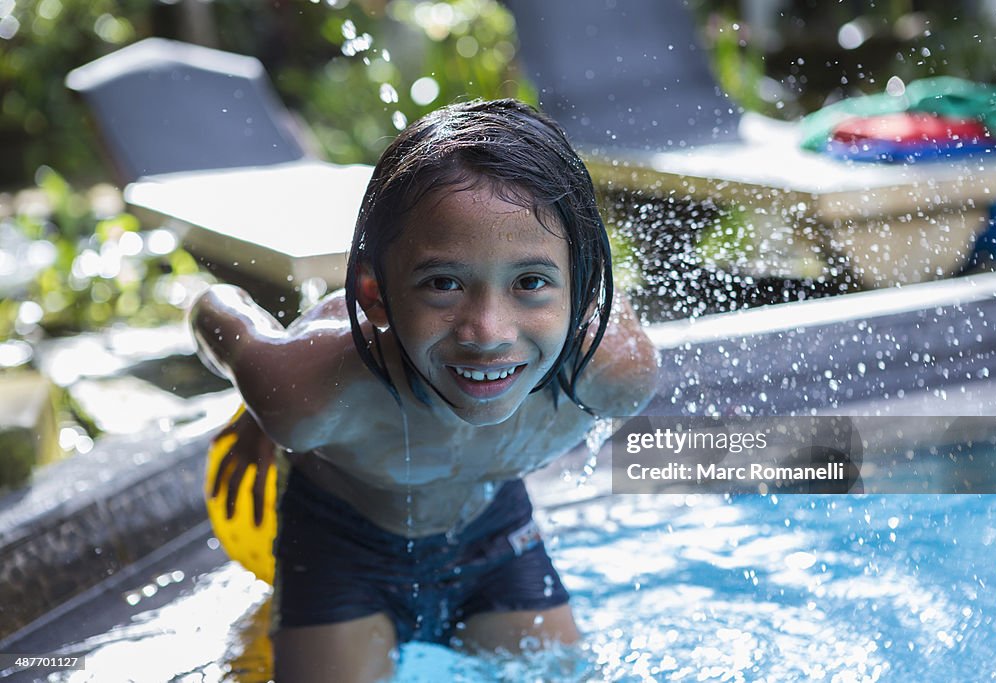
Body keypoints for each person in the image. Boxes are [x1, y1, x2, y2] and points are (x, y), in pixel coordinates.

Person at [190, 98, 659, 683]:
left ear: (584, 291)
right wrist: (255, 402)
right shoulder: (310, 394)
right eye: (443, 283)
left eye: (531, 282)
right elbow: (216, 308)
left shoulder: (613, 374)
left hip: (492, 530)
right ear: (374, 293)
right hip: (341, 548)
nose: (487, 334)